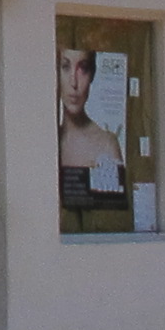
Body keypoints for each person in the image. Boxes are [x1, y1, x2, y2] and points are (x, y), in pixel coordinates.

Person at [57, 40, 125, 225]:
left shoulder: (106, 144)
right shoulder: (47, 140)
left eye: (83, 69)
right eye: (65, 67)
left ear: (92, 75)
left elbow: (112, 219)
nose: (74, 82)